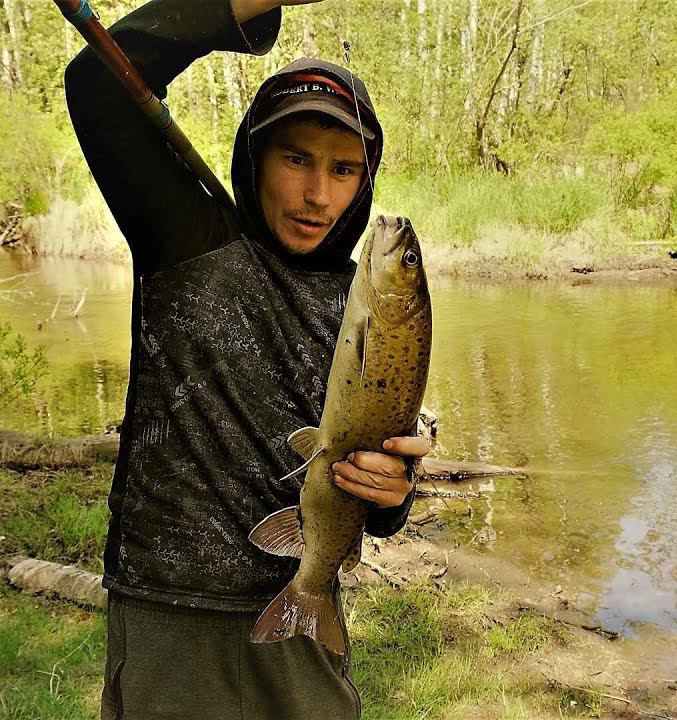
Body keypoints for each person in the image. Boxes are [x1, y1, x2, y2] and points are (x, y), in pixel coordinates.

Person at [63, 0, 430, 717]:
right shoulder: (185, 238)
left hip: (300, 625)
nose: (317, 193)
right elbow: (98, 80)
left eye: (344, 169)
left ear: (365, 183)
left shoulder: (377, 311)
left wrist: (393, 493)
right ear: (254, 156)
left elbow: (374, 503)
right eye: (295, 158)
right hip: (169, 614)